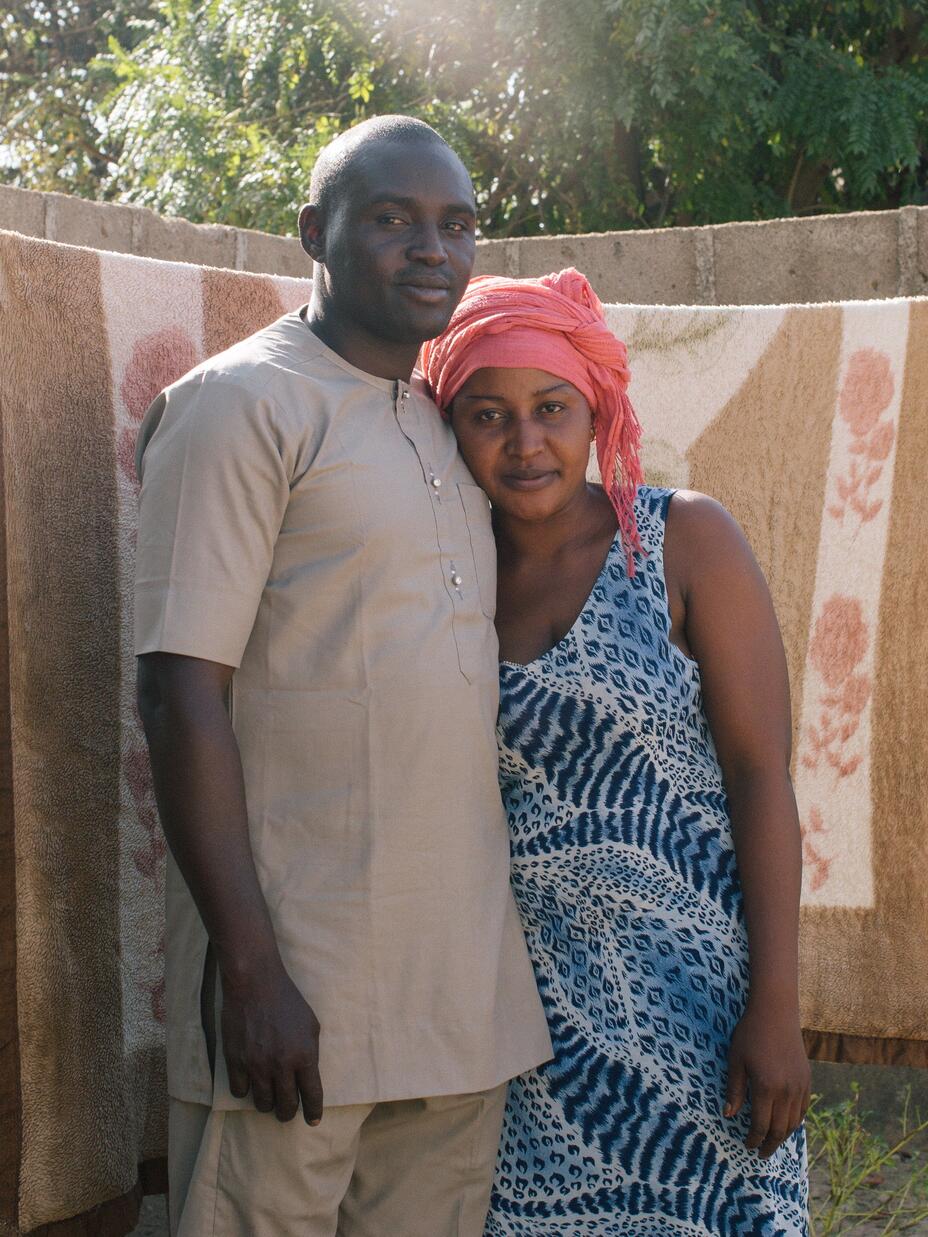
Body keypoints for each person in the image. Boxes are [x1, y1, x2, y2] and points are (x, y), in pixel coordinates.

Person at [134, 116, 552, 1237]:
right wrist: (251, 972)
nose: (433, 250)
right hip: (298, 997)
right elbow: (177, 692)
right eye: (393, 220)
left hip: (456, 1000)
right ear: (315, 232)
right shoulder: (241, 405)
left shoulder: (446, 420)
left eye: (457, 225)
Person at [421, 268, 811, 1235]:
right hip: (525, 1027)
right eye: (488, 415)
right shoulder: (444, 573)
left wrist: (776, 1006)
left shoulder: (682, 539)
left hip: (703, 1010)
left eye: (551, 408)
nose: (525, 442)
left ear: (596, 408)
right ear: (450, 424)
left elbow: (762, 777)